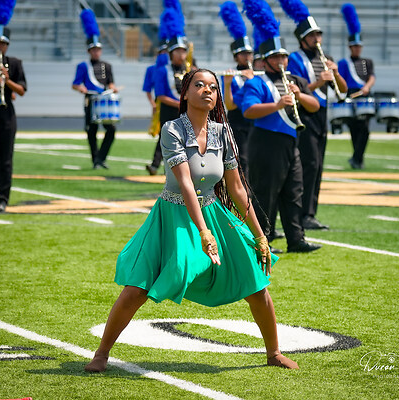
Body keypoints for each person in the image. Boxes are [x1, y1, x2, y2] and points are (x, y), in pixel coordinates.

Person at [84, 68, 299, 372]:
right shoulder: (171, 129)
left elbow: (237, 188)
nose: (207, 90)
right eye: (199, 85)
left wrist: (260, 235)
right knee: (137, 288)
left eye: (212, 87)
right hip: (172, 216)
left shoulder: (223, 132)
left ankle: (273, 353)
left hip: (212, 212)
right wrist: (203, 232)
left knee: (255, 282)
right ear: (185, 93)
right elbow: (185, 183)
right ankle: (102, 354)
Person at [241, 0, 321, 254]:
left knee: (293, 191)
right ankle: (262, 239)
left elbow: (314, 106)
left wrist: (300, 95)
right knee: (265, 193)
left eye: (283, 56)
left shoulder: (295, 80)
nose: (281, 60)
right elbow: (248, 110)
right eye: (276, 57)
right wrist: (276, 105)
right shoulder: (257, 82)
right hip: (266, 141)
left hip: (290, 142)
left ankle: (296, 239)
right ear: (265, 61)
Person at [281, 0, 347, 230]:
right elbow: (297, 89)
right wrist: (320, 81)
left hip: (322, 114)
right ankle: (302, 214)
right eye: (312, 36)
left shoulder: (325, 58)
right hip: (304, 114)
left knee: (318, 165)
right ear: (302, 39)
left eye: (318, 34)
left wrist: (336, 74)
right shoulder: (295, 58)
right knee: (309, 164)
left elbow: (343, 90)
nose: (317, 39)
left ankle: (310, 213)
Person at [0, 3, 27, 212]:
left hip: (7, 113)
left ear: (7, 45)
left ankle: (3, 197)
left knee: (5, 158)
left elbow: (22, 90)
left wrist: (7, 81)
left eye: (3, 43)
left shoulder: (15, 63)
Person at [72, 9, 118, 170]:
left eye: (98, 49)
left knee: (111, 130)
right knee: (91, 131)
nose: (96, 52)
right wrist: (81, 88)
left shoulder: (107, 66)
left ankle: (101, 158)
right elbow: (75, 84)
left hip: (104, 101)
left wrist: (113, 89)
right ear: (89, 51)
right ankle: (95, 160)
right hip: (90, 100)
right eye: (93, 50)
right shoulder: (83, 66)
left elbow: (111, 83)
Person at [146, 5, 189, 176]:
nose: (181, 55)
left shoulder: (190, 70)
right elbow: (161, 95)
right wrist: (179, 104)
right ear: (171, 54)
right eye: (178, 51)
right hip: (169, 110)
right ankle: (163, 168)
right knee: (166, 139)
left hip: (186, 111)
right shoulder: (162, 70)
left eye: (183, 51)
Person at [219, 1, 255, 177]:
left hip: (255, 121)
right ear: (236, 57)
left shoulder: (258, 74)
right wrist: (227, 83)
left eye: (249, 53)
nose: (247, 57)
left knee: (256, 159)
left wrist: (253, 80)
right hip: (238, 123)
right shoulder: (230, 76)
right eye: (243, 54)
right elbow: (230, 105)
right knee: (242, 160)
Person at [337, 3, 375, 170]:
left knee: (365, 130)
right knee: (354, 129)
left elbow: (371, 76)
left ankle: (356, 158)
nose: (357, 49)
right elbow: (342, 80)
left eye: (359, 46)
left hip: (364, 96)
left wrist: (367, 87)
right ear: (350, 47)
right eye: (355, 46)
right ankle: (357, 160)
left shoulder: (367, 62)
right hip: (351, 96)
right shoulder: (344, 63)